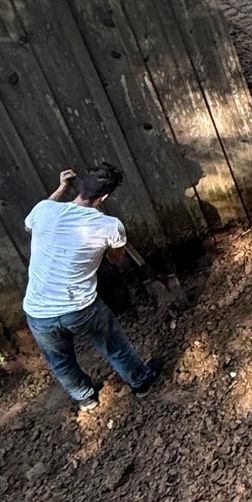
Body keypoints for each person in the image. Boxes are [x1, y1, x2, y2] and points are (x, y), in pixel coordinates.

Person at [22, 164, 160, 408]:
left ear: (80, 186)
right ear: (104, 197)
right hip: (80, 307)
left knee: (60, 360)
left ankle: (85, 398)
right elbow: (114, 259)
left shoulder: (44, 209)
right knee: (113, 346)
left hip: (38, 311)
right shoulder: (109, 226)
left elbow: (30, 223)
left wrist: (60, 189)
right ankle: (141, 383)